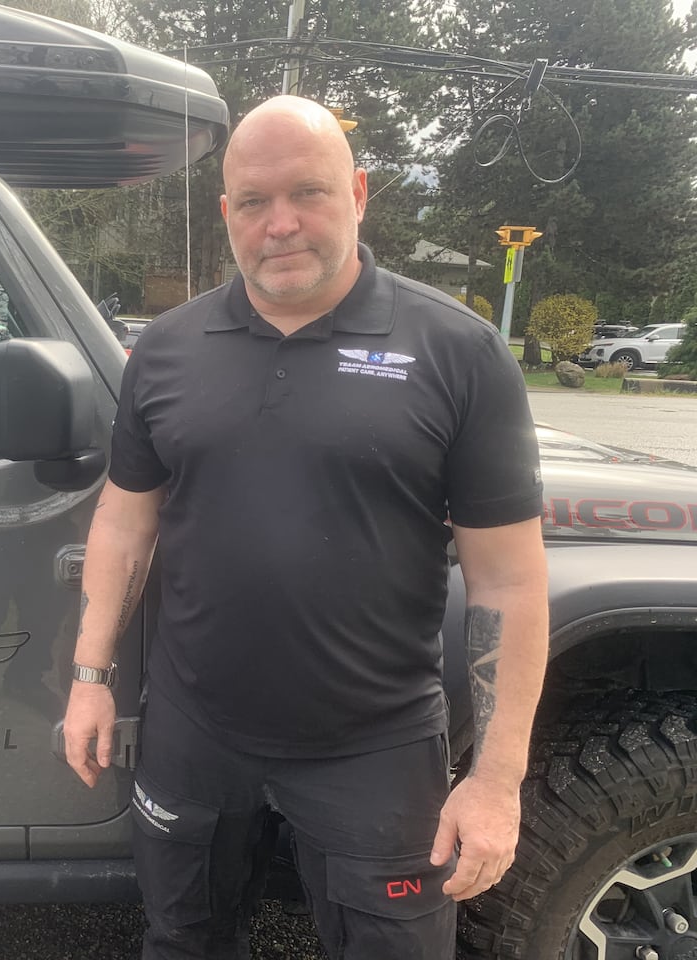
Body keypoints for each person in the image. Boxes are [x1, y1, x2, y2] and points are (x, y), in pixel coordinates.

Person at [61, 94, 549, 960]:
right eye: (254, 201)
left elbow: (508, 579)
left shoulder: (459, 353)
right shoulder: (167, 350)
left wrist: (497, 780)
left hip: (375, 746)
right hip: (193, 730)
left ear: (358, 193)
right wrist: (91, 676)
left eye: (308, 193)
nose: (279, 223)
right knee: (183, 939)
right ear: (227, 213)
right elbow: (125, 521)